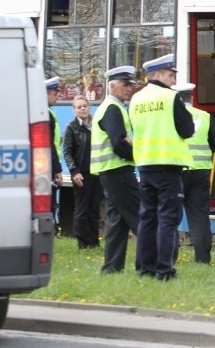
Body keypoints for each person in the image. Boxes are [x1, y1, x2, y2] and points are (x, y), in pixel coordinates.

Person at [129, 54, 194, 281]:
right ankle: (164, 270)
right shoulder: (170, 97)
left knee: (147, 217)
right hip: (168, 165)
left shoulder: (135, 99)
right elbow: (187, 130)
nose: (173, 80)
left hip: (145, 165)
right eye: (170, 75)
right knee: (168, 218)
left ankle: (144, 268)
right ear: (156, 75)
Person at [90, 65, 140, 274]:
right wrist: (138, 156)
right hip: (118, 171)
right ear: (112, 86)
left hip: (111, 171)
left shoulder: (112, 107)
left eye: (131, 84)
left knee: (117, 221)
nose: (130, 88)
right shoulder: (113, 108)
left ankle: (111, 267)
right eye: (125, 84)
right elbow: (119, 143)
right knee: (141, 215)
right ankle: (151, 264)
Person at [172, 82, 215, 264]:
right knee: (199, 217)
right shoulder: (204, 116)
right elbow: (213, 146)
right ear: (191, 97)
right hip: (200, 172)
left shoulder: (172, 118)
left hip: (178, 172)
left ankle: (169, 258)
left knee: (171, 217)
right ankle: (203, 260)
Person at [62, 95, 103, 249]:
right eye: (79, 107)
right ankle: (83, 243)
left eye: (85, 106)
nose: (83, 109)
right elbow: (67, 152)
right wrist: (74, 172)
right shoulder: (71, 128)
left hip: (96, 172)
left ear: (89, 107)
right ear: (74, 110)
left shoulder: (97, 125)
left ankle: (94, 242)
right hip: (80, 174)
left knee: (94, 209)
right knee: (82, 210)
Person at [44, 77, 64, 188]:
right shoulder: (47, 115)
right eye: (55, 94)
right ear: (46, 94)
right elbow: (50, 145)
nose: (57, 97)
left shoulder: (45, 112)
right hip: (49, 167)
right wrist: (57, 170)